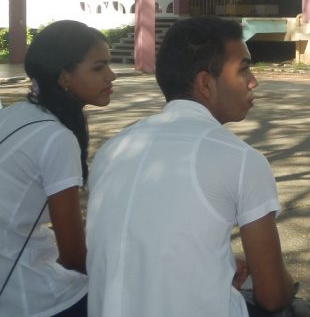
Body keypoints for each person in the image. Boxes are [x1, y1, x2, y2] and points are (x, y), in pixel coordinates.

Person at [86, 16, 297, 317]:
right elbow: (273, 295)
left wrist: (219, 262)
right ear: (205, 83)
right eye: (244, 69)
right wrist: (287, 285)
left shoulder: (112, 149)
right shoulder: (240, 160)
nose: (254, 81)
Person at [0, 20, 116, 317]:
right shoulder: (57, 138)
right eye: (98, 67)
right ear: (65, 76)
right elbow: (74, 256)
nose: (111, 76)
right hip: (26, 295)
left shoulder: (13, 113)